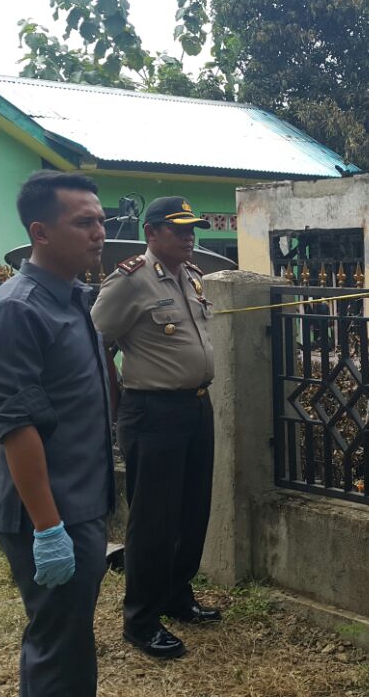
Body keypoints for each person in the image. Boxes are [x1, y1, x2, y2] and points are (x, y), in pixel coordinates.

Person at [0, 170, 114, 696]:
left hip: (82, 500)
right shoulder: (17, 309)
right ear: (41, 232)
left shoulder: (75, 299)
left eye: (101, 220)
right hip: (50, 512)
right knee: (57, 641)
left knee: (71, 633)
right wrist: (48, 528)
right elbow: (17, 426)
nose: (98, 231)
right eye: (84, 222)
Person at [91, 196, 218, 660]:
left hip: (196, 406)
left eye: (192, 228)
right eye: (179, 228)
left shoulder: (191, 276)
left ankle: (176, 595)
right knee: (153, 521)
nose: (189, 236)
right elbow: (95, 343)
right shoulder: (129, 281)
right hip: (153, 412)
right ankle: (141, 621)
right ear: (151, 232)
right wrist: (118, 401)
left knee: (192, 510)